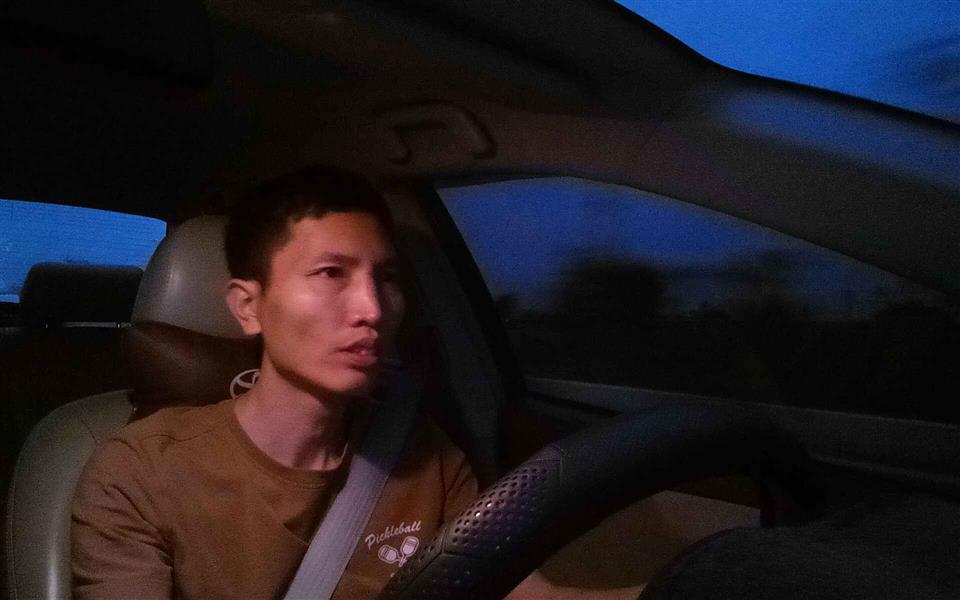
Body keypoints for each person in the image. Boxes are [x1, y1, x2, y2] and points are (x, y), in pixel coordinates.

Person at [71, 166, 640, 599]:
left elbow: (516, 594)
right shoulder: (141, 471)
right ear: (248, 307)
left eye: (387, 279)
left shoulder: (426, 455)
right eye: (330, 273)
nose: (372, 308)